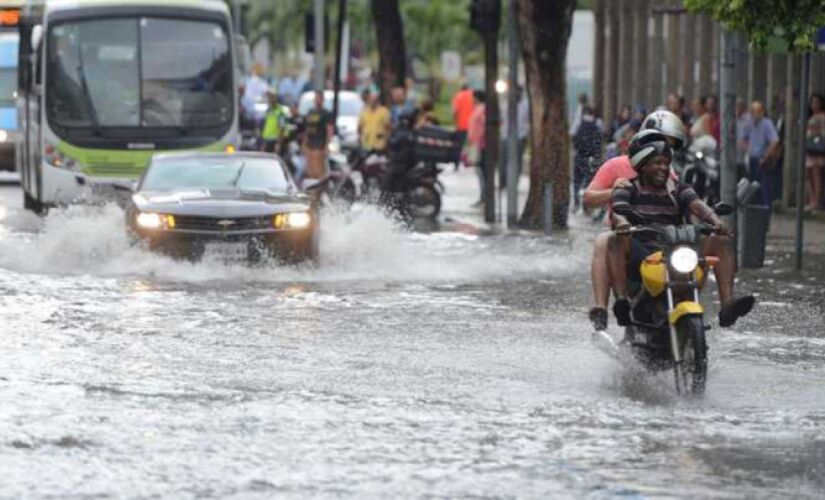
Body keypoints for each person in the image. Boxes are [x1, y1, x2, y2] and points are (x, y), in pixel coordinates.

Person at [606, 133, 754, 328]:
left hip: (676, 249)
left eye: (666, 163)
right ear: (642, 165)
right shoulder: (628, 187)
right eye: (657, 163)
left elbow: (698, 205)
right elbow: (618, 209)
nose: (663, 168)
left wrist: (717, 222)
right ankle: (621, 301)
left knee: (721, 241)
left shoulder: (677, 188)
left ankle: (727, 304)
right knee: (614, 239)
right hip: (643, 251)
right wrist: (623, 222)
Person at [583, 110, 686, 331]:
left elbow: (683, 202)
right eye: (658, 142)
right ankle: (602, 308)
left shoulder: (669, 173)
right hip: (626, 234)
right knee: (604, 241)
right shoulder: (616, 165)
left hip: (660, 236)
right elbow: (588, 198)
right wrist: (614, 191)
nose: (662, 157)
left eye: (670, 146)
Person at [742, 100, 781, 206]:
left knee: (764, 185)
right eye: (752, 111)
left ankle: (765, 209)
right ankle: (754, 207)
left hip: (762, 158)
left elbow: (775, 141)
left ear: (762, 112)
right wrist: (748, 149)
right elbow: (743, 138)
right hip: (752, 157)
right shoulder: (750, 123)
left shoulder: (766, 123)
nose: (754, 114)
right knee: (753, 185)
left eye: (756, 111)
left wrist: (766, 156)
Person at [572, 106, 603, 212]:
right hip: (589, 158)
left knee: (576, 181)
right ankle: (586, 204)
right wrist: (596, 156)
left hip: (579, 156)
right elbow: (598, 143)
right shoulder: (596, 126)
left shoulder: (580, 125)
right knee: (587, 181)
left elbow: (575, 139)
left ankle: (576, 201)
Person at [303, 91, 334, 181]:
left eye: (319, 98)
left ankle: (319, 192)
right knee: (309, 172)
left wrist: (327, 145)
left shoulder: (326, 113)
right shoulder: (310, 112)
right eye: (316, 98)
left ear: (323, 100)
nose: (317, 100)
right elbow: (307, 129)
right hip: (310, 144)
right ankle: (312, 192)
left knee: (319, 172)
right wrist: (304, 143)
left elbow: (330, 130)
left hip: (319, 144)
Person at [805, 94, 825, 212]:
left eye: (817, 102)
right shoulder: (810, 116)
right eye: (812, 102)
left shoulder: (822, 116)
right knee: (808, 174)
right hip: (809, 148)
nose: (814, 105)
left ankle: (816, 201)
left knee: (816, 174)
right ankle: (812, 199)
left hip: (817, 148)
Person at [467, 90, 487, 207]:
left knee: (482, 172)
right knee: (479, 171)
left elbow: (484, 125)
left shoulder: (482, 109)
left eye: (473, 97)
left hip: (481, 144)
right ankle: (483, 196)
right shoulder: (478, 108)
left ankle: (484, 196)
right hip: (476, 143)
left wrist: (480, 140)